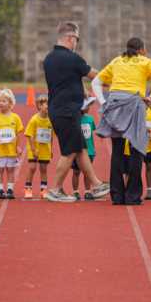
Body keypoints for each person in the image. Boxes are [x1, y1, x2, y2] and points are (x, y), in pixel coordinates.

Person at [92, 37, 151, 205]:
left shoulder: (116, 61)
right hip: (134, 102)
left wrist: (103, 102)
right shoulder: (144, 61)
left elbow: (96, 81)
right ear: (141, 49)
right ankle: (132, 196)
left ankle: (117, 195)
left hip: (114, 103)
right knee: (137, 149)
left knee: (117, 150)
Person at [43, 21, 110, 202]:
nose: (77, 43)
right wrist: (117, 81)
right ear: (71, 38)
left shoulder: (49, 58)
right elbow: (96, 76)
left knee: (80, 148)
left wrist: (81, 89)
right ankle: (55, 189)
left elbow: (68, 77)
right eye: (77, 39)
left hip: (58, 109)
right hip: (67, 111)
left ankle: (96, 184)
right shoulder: (73, 59)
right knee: (70, 151)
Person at [0, 88, 24, 200]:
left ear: (10, 103)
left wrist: (18, 146)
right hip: (0, 150)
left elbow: (18, 133)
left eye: (3, 101)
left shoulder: (15, 117)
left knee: (10, 170)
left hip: (11, 150)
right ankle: (0, 190)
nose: (0, 103)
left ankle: (10, 189)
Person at [24, 94, 54, 199]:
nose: (49, 107)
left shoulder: (51, 120)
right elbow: (29, 135)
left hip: (45, 148)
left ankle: (43, 189)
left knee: (43, 169)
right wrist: (33, 149)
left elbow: (51, 136)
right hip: (34, 148)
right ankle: (28, 188)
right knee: (32, 167)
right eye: (47, 105)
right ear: (40, 106)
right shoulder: (34, 120)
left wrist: (51, 149)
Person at [71, 97, 97, 200]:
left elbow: (91, 134)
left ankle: (87, 191)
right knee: (76, 172)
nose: (89, 108)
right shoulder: (74, 119)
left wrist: (93, 149)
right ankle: (75, 192)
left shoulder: (90, 119)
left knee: (87, 172)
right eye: (87, 106)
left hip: (89, 150)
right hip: (77, 150)